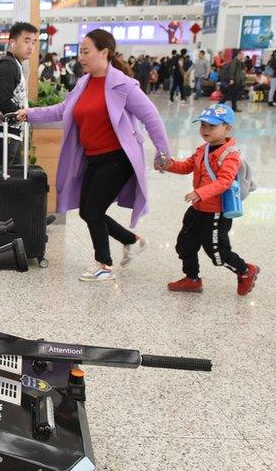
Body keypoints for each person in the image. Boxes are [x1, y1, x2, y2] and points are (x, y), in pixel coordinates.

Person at [17, 28, 170, 282]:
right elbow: (62, 109)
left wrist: (163, 153)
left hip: (117, 159)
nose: (81, 57)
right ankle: (132, 241)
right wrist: (30, 113)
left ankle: (104, 265)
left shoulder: (123, 86)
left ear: (104, 52)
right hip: (94, 159)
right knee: (88, 211)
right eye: (80, 52)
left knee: (94, 211)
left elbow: (151, 117)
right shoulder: (84, 83)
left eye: (86, 51)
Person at [160, 103, 260, 295]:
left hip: (216, 212)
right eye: (203, 125)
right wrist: (168, 164)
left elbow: (224, 181)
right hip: (197, 209)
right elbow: (186, 166)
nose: (205, 130)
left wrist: (200, 192)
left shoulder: (230, 155)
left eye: (212, 126)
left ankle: (246, 270)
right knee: (184, 245)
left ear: (227, 128)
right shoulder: (203, 149)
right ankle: (192, 278)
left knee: (218, 254)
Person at [0, 22, 37, 167]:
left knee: (10, 182)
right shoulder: (8, 66)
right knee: (0, 183)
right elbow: (3, 99)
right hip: (3, 133)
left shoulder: (14, 64)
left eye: (33, 42)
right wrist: (22, 114)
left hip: (8, 133)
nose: (31, 46)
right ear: (12, 43)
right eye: (26, 41)